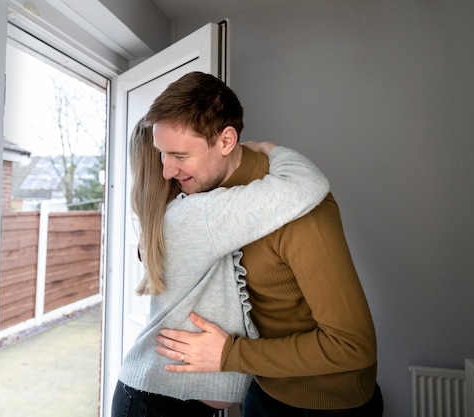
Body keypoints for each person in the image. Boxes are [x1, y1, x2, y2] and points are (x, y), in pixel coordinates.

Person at [150, 71, 383, 417]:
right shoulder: (203, 194)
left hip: (324, 403)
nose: (167, 170)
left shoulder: (299, 211)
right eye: (162, 154)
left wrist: (230, 354)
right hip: (262, 387)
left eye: (180, 156)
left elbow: (353, 346)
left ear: (226, 141)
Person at [111, 118, 330, 417]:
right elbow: (307, 183)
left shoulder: (174, 219)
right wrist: (268, 148)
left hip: (156, 396)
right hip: (159, 403)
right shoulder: (197, 216)